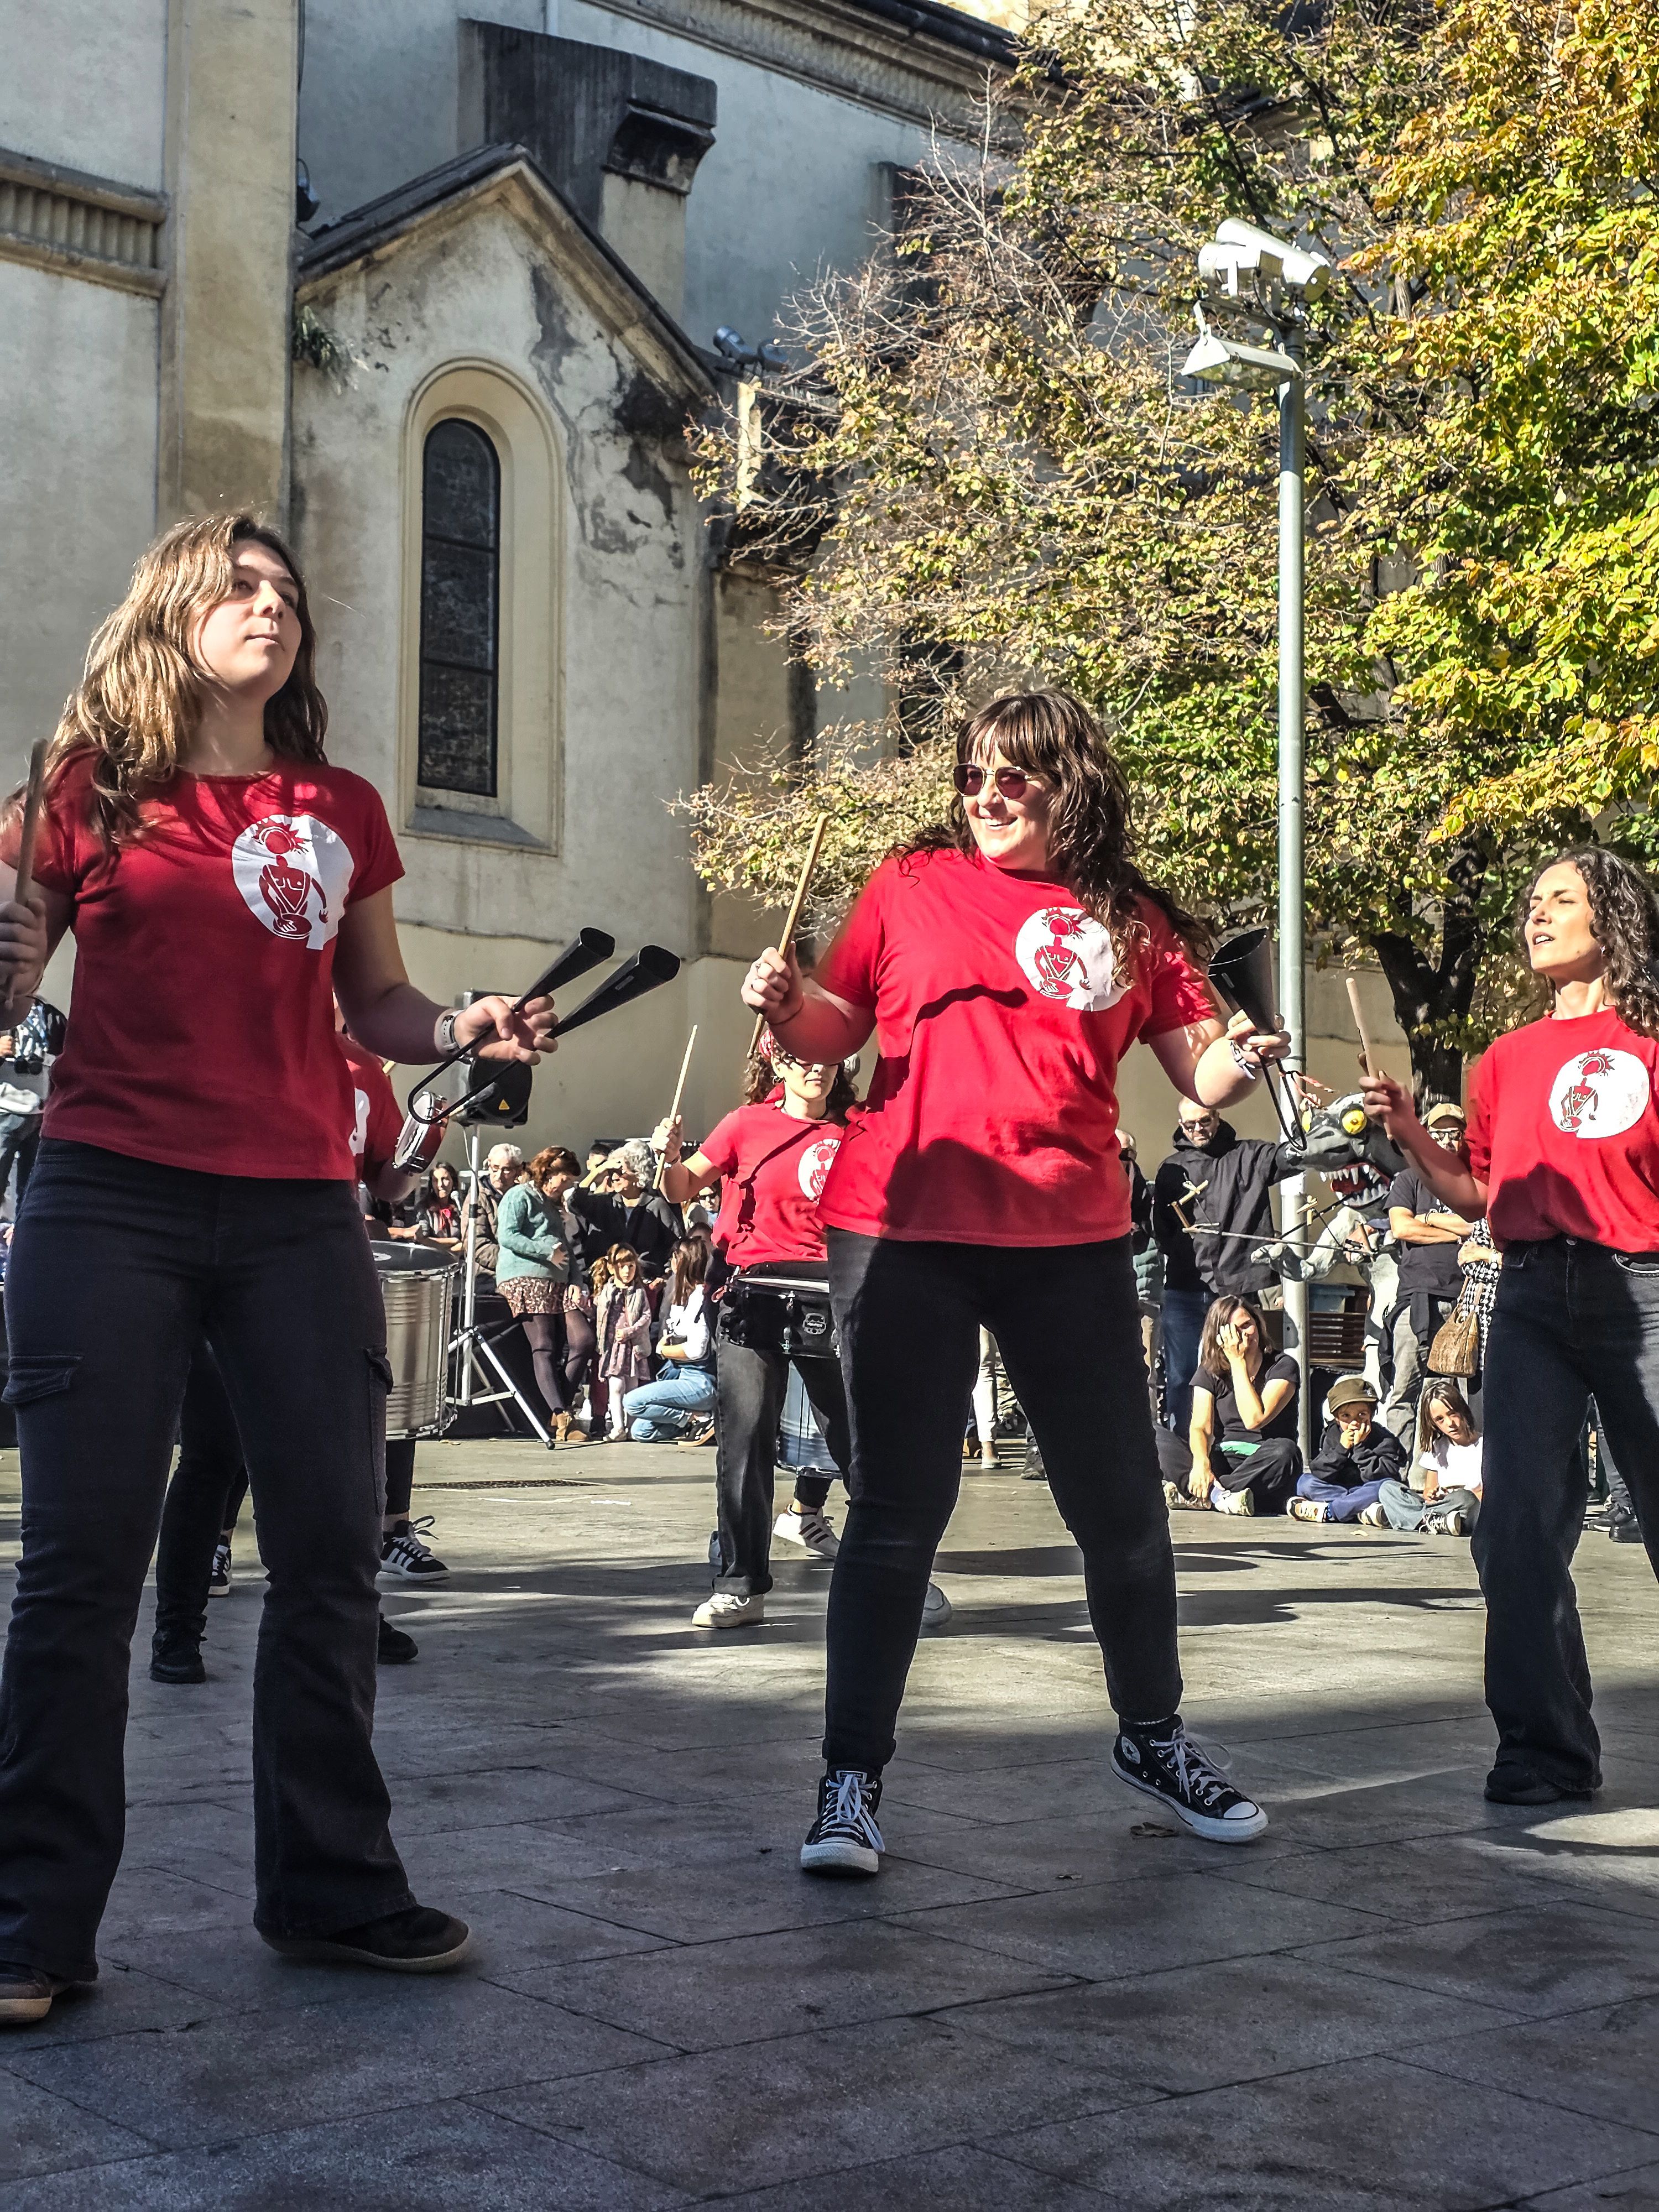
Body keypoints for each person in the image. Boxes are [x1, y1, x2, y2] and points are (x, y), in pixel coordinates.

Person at [0, 513, 557, 2028]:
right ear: (170, 613)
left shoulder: (339, 807)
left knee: (329, 1552)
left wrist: (465, 1025)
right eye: (240, 587)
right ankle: (29, 1921)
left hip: (298, 1213)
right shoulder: (84, 789)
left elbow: (378, 1003)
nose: (272, 606)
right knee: (79, 1569)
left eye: (289, 593)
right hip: (109, 1199)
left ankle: (330, 1889)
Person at [742, 687, 1288, 1870]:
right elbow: (835, 1030)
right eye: (972, 774)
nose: (985, 795)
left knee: (1122, 1508)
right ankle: (849, 1779)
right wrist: (789, 1010)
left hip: (1069, 1239)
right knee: (899, 1510)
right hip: (903, 1229)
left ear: (1068, 785)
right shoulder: (909, 883)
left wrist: (1242, 1056)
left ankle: (1153, 1736)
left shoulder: (1132, 919)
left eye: (1013, 775)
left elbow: (1201, 1077)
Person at [1365, 848, 1659, 1806]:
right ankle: (1544, 1751)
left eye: (1560, 900)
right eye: (1531, 902)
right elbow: (1480, 1194)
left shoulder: (1653, 1038)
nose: (1537, 915)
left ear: (1611, 918)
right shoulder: (1505, 1058)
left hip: (1645, 1291)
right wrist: (1410, 1133)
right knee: (1515, 1530)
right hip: (1530, 1295)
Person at [1154, 1101, 1303, 1432]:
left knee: (1242, 1368)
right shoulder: (1171, 1169)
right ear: (1180, 1123)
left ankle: (1236, 1442)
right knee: (1181, 1375)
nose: (1198, 1130)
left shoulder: (1250, 1156)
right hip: (1185, 1286)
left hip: (1237, 1289)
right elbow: (1162, 1230)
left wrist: (1301, 1116)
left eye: (1204, 1121)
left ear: (1217, 1116)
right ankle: (1183, 1447)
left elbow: (1293, 1157)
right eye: (1190, 1125)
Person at [1380, 1101, 1474, 1441]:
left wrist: (1430, 1218)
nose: (1447, 1140)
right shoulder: (1409, 1179)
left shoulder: (1474, 1184)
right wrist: (1457, 1232)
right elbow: (1402, 1228)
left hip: (1468, 1304)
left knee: (1460, 1400)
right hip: (1417, 1302)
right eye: (1439, 1133)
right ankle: (1399, 1469)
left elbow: (1477, 1225)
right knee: (1405, 1393)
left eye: (1455, 1133)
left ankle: (1453, 1468)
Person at [1156, 1293, 1300, 1516]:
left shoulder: (1282, 1366)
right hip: (1223, 1459)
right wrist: (1201, 1463)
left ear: (1258, 1324)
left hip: (1263, 1462)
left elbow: (1254, 1419)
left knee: (1286, 1452)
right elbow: (1201, 1427)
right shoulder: (1210, 1371)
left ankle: (1205, 1495)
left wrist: (1238, 1362)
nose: (1244, 1335)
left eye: (1247, 1325)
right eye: (1234, 1331)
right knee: (1153, 1435)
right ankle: (1218, 1495)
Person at [493, 1145, 574, 1434]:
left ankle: (556, 1409)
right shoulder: (519, 1195)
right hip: (526, 1279)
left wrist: (575, 1280)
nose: (567, 1186)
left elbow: (566, 1248)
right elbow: (507, 1236)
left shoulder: (552, 1205)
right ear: (549, 1173)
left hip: (557, 1282)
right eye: (565, 1179)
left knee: (574, 1343)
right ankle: (559, 1413)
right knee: (544, 1345)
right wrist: (545, 1252)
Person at [622, 1229, 717, 1439]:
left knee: (631, 1402)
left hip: (700, 1381)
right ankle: (695, 1420)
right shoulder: (681, 1295)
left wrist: (663, 1350)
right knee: (641, 1431)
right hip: (680, 1376)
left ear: (681, 1262)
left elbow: (696, 1350)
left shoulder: (700, 1297)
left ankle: (701, 1418)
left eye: (674, 1258)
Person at [1290, 1373, 1406, 1525]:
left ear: (1371, 1415)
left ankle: (1330, 1512)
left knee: (1384, 1487)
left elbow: (1381, 1476)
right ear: (1337, 1418)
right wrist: (1342, 1448)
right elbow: (1321, 1473)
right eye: (1346, 1416)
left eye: (1362, 1415)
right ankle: (1360, 1510)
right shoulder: (1332, 1434)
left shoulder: (1384, 1439)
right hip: (1341, 1490)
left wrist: (1360, 1448)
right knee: (1305, 1482)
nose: (1355, 1422)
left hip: (1368, 1489)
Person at [1379, 1378, 1483, 1535]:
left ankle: (1409, 1518)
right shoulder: (1437, 1447)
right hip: (1440, 1507)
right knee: (1388, 1488)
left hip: (1466, 1507)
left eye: (1452, 1414)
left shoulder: (1484, 1445)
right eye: (1440, 1419)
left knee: (1465, 1499)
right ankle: (1432, 1521)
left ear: (1462, 1410)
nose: (1450, 1423)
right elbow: (1429, 1491)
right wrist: (1431, 1494)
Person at [0, 999, 62, 1214]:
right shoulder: (4, 1009)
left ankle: (19, 1228)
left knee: (30, 1188)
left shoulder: (49, 1014)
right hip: (4, 1113)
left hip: (38, 1116)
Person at [594, 1243, 654, 1433]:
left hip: (632, 1348)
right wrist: (584, 1305)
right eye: (622, 1266)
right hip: (614, 1348)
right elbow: (597, 1312)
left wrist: (630, 1331)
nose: (627, 1271)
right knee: (616, 1386)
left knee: (632, 1388)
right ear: (612, 1268)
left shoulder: (639, 1291)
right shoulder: (606, 1290)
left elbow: (646, 1317)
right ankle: (618, 1427)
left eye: (631, 1266)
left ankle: (631, 1427)